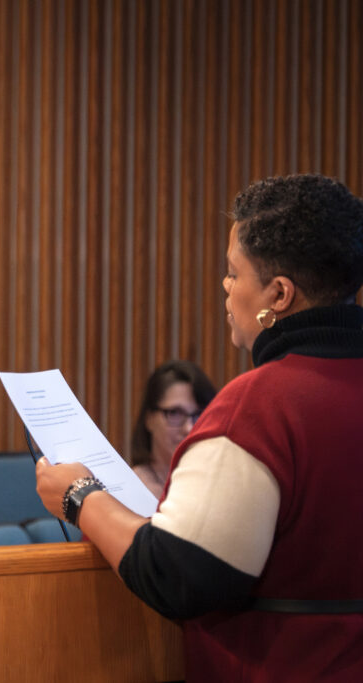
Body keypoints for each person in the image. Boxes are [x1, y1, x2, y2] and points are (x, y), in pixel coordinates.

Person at [35, 174, 363, 681]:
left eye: (234, 274)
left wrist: (80, 495)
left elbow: (179, 575)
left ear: (278, 294)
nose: (226, 289)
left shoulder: (259, 408)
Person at [128, 360, 217, 499]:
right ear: (149, 419)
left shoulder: (217, 486)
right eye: (175, 413)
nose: (189, 428)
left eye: (198, 414)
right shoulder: (130, 490)